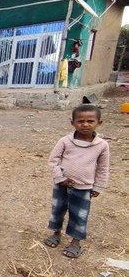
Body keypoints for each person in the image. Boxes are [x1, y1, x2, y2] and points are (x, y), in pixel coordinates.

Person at [43, 104, 110, 258]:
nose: (85, 124)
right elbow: (53, 160)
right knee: (57, 210)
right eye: (80, 121)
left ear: (99, 123)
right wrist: (60, 178)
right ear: (72, 122)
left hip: (84, 187)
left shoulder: (102, 146)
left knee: (79, 215)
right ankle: (56, 233)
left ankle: (75, 242)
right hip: (62, 185)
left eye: (90, 121)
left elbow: (103, 168)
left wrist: (98, 186)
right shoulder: (65, 141)